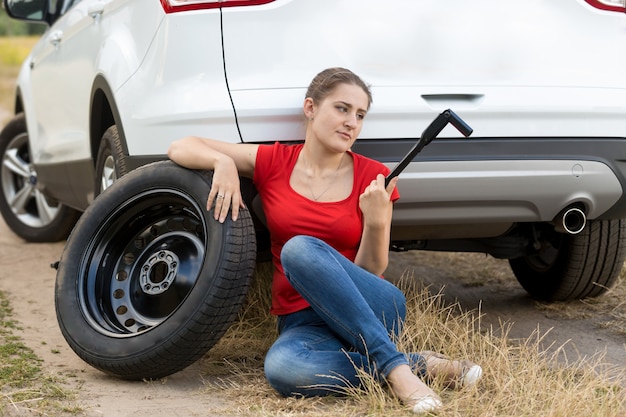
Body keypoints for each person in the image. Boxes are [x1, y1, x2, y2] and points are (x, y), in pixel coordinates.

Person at [168, 67, 482, 414]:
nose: (352, 122)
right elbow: (180, 146)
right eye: (342, 109)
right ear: (310, 108)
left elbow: (371, 268)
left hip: (372, 307)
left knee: (299, 248)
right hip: (302, 320)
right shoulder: (274, 162)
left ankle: (397, 370)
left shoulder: (374, 175)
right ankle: (421, 365)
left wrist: (377, 220)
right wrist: (222, 161)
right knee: (284, 369)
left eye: (360, 115)